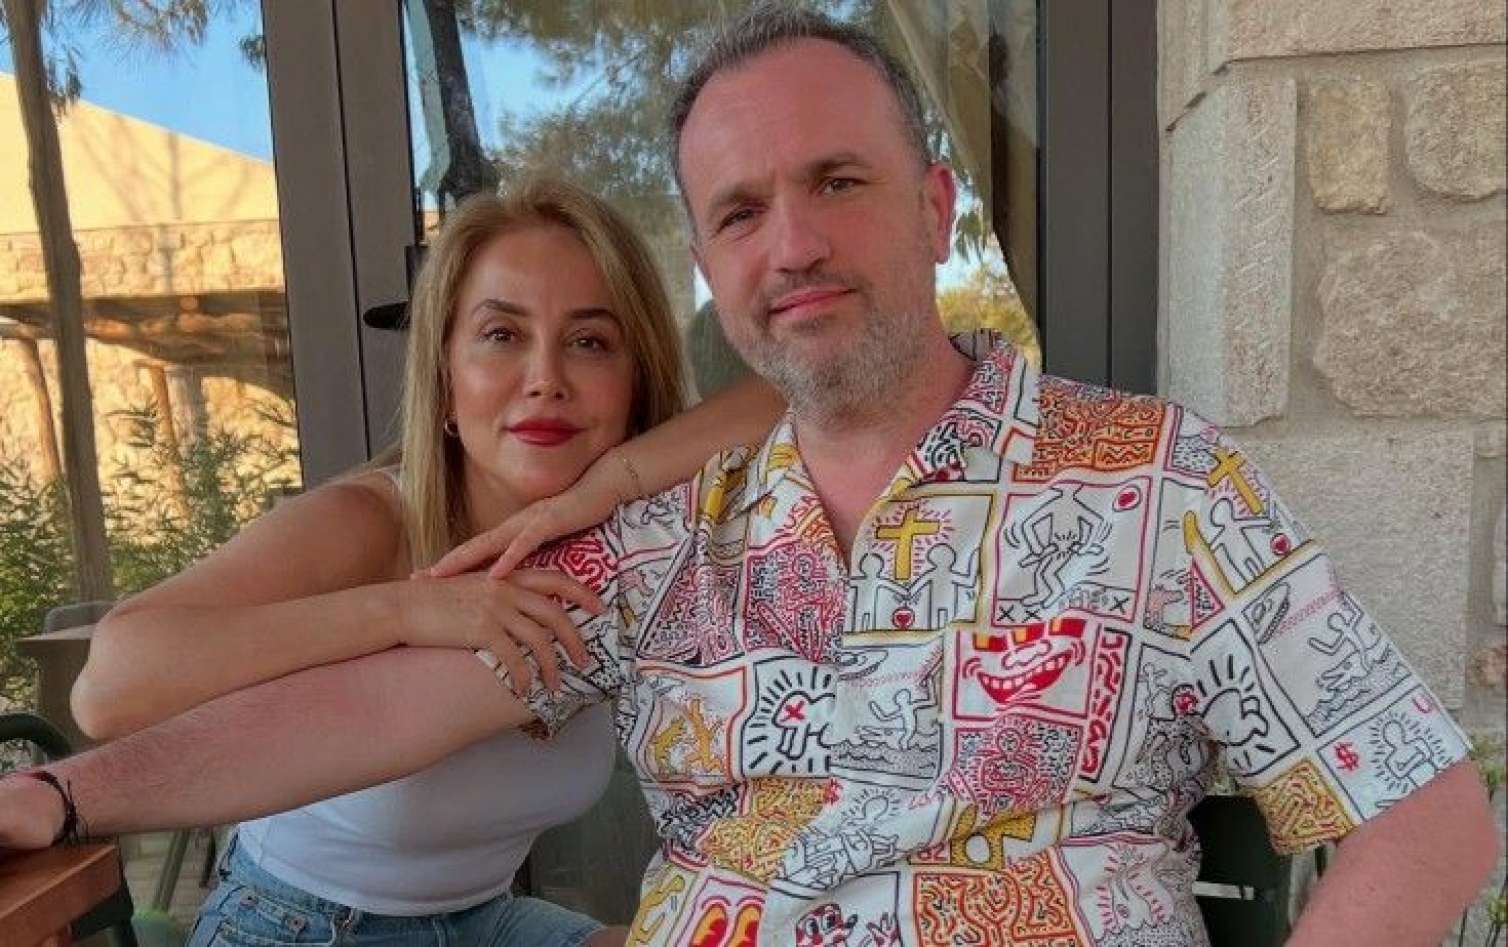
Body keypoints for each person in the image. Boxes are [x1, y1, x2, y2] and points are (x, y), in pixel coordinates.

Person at [2, 6, 1498, 946]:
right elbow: (358, 715)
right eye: (738, 213)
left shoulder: (1153, 482)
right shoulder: (660, 534)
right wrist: (65, 800)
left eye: (836, 183)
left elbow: (1421, 812)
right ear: (712, 276)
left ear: (936, 207)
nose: (791, 245)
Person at [49, 176, 783, 947]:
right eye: (501, 335)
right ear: (445, 378)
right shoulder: (374, 520)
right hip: (302, 925)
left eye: (590, 341)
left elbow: (816, 398)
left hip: (485, 918)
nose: (546, 378)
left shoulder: (639, 534)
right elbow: (111, 685)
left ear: (636, 384)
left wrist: (612, 484)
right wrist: (405, 609)